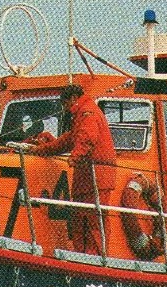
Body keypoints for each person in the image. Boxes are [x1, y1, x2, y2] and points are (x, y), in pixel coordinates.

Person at [28, 84, 117, 254]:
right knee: (81, 219)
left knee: (93, 221)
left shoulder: (87, 113)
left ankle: (95, 257)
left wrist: (75, 156)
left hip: (95, 177)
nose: (66, 109)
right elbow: (68, 140)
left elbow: (87, 137)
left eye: (65, 104)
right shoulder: (84, 114)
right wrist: (43, 149)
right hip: (88, 178)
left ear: (73, 99)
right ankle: (85, 254)